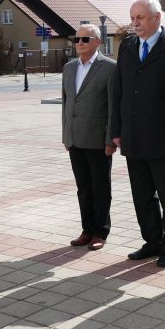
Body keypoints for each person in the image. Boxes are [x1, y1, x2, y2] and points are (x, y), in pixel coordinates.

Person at [111, 0, 165, 268]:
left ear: (157, 18)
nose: (135, 23)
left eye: (140, 18)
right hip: (133, 136)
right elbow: (118, 93)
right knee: (142, 195)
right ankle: (152, 241)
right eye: (132, 18)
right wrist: (116, 130)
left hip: (163, 136)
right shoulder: (127, 47)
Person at [62, 24, 117, 251]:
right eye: (77, 39)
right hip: (75, 138)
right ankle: (87, 229)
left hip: (98, 139)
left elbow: (113, 106)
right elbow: (66, 103)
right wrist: (66, 134)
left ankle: (100, 232)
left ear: (97, 42)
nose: (80, 43)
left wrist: (110, 139)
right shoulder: (69, 68)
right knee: (83, 188)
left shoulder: (110, 67)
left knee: (100, 188)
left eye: (85, 39)